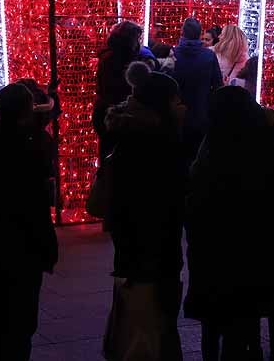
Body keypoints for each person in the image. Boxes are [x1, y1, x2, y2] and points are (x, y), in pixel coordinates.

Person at [185, 86, 274, 361]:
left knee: (213, 323)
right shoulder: (263, 147)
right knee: (244, 320)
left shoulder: (210, 149)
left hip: (212, 254)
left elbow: (195, 206)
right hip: (251, 253)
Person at [103, 62, 187, 361]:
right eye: (177, 101)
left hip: (134, 249)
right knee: (151, 322)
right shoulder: (158, 146)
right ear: (163, 105)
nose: (183, 107)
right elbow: (161, 204)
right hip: (152, 249)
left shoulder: (132, 136)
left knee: (138, 314)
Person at [0, 83, 58, 361]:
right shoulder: (37, 144)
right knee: (22, 318)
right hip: (26, 243)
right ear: (27, 110)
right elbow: (41, 198)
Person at [171, 17, 223, 158]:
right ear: (200, 34)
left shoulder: (173, 54)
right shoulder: (209, 56)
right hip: (201, 113)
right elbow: (218, 85)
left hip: (175, 116)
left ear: (182, 32)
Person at [93, 20, 144, 160]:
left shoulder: (108, 55)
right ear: (130, 39)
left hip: (103, 111)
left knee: (106, 155)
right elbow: (121, 88)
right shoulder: (123, 60)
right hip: (115, 114)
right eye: (137, 38)